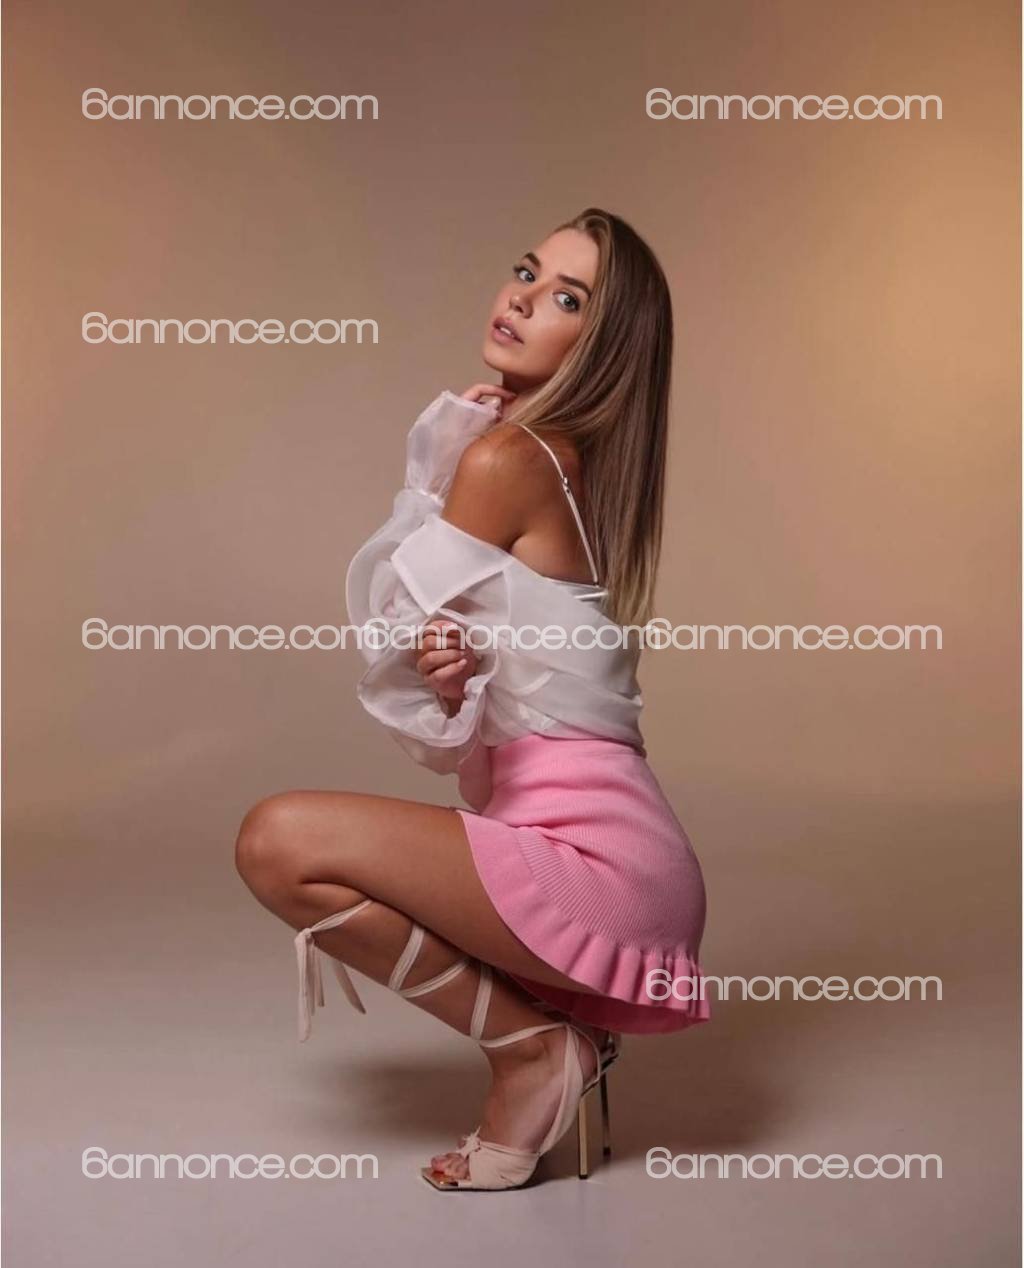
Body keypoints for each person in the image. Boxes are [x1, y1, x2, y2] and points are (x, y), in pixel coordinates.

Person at [235, 208, 710, 1191]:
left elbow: (389, 613)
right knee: (289, 841)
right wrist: (453, 669)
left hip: (599, 866)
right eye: (526, 272)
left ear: (603, 345)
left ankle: (533, 1050)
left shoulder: (508, 461)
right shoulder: (559, 463)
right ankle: (547, 1042)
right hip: (626, 860)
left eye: (566, 298)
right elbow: (450, 680)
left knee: (278, 840)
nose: (523, 299)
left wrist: (436, 476)